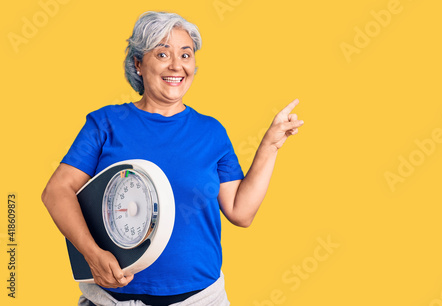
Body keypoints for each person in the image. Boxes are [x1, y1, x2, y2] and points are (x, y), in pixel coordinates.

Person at [41, 11, 304, 306]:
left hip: (201, 300)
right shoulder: (106, 123)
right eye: (163, 54)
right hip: (111, 301)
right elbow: (56, 191)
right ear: (138, 63)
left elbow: (240, 212)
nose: (177, 65)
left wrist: (270, 146)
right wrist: (92, 253)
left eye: (186, 55)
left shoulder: (211, 131)